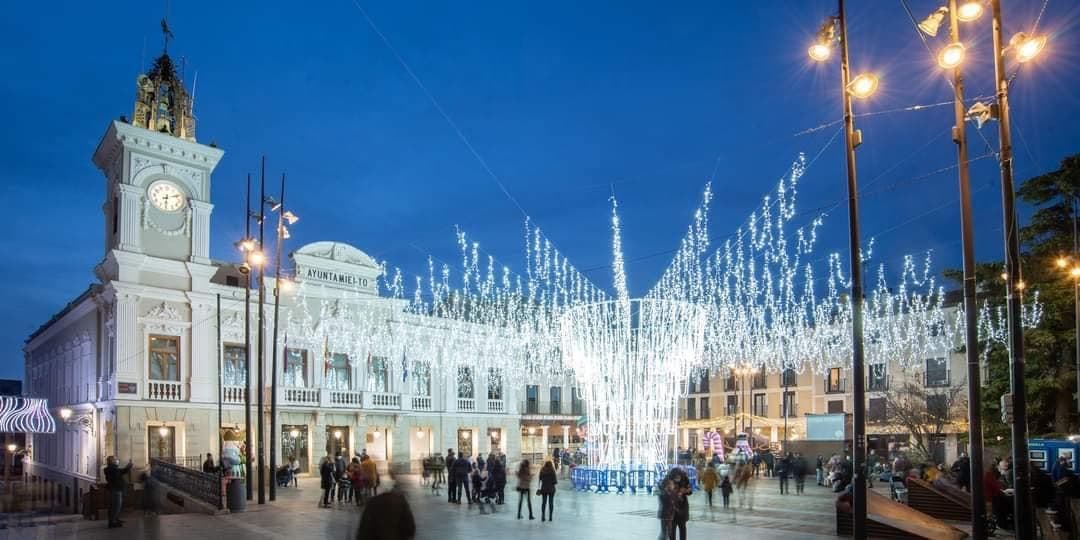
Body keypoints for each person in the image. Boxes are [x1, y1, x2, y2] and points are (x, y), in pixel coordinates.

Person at [103, 456, 132, 528]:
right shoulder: (112, 469)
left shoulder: (113, 469)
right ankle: (112, 522)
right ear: (112, 461)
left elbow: (122, 472)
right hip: (116, 490)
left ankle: (115, 519)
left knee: (115, 506)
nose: (117, 460)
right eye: (116, 459)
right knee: (116, 506)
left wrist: (129, 465)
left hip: (116, 489)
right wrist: (129, 465)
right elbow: (122, 472)